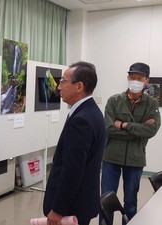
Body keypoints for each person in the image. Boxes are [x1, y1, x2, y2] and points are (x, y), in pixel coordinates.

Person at [43, 61, 106, 225]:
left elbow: (72, 170)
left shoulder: (82, 120)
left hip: (72, 207)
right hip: (81, 201)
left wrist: (58, 210)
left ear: (79, 86)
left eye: (63, 81)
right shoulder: (91, 112)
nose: (58, 87)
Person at [100, 62, 161, 225]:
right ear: (127, 78)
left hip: (135, 159)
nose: (134, 81)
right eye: (132, 77)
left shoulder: (152, 104)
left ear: (146, 80)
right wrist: (138, 130)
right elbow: (109, 129)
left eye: (139, 78)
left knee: (131, 202)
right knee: (105, 201)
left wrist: (125, 125)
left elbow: (152, 130)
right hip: (111, 157)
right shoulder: (114, 100)